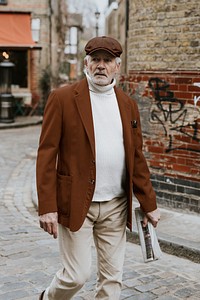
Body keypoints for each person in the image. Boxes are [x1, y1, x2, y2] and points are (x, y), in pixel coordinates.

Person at [37, 36, 160, 300]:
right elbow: (46, 154)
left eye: (107, 61)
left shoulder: (128, 105)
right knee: (76, 276)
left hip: (116, 206)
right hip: (77, 201)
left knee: (112, 280)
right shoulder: (63, 98)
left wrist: (149, 203)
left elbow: (136, 157)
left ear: (117, 66)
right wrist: (47, 206)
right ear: (86, 63)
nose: (101, 66)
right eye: (96, 60)